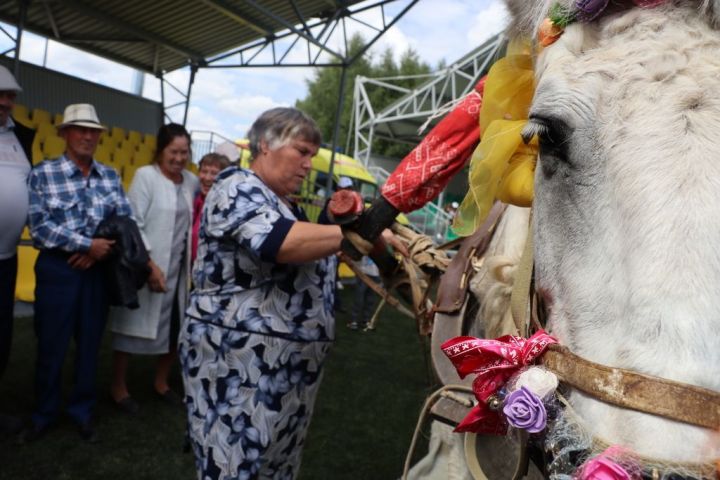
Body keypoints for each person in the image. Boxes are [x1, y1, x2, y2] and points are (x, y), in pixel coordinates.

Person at [179, 107, 406, 479]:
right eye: (301, 152)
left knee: (275, 466)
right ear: (265, 145)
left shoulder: (286, 204)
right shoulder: (236, 185)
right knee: (235, 466)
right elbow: (278, 243)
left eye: (312, 156)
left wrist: (369, 243)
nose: (307, 165)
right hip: (239, 367)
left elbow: (317, 249)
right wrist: (364, 230)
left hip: (286, 369)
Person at [24, 103, 131, 443]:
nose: (88, 136)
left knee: (89, 346)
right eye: (80, 129)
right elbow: (40, 228)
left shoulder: (110, 175)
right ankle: (44, 413)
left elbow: (125, 223)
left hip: (97, 272)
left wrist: (99, 251)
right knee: (51, 345)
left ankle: (82, 412)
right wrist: (87, 245)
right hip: (58, 270)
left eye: (93, 131)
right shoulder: (43, 173)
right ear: (65, 134)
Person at [109, 123, 199, 414]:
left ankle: (161, 383)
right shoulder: (145, 176)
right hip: (145, 264)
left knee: (174, 329)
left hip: (178, 270)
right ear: (160, 150)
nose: (179, 158)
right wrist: (149, 266)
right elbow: (133, 222)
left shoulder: (191, 181)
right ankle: (118, 386)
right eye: (173, 151)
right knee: (130, 328)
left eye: (184, 152)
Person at [0, 66, 35, 435]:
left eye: (11, 95)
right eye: (1, 93)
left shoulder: (21, 136)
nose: (6, 101)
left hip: (7, 259)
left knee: (2, 338)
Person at [191, 152, 231, 263]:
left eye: (214, 173)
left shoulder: (226, 208)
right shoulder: (197, 200)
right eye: (204, 171)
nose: (207, 178)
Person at [348, 256, 381, 330]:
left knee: (370, 299)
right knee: (359, 298)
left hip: (375, 274)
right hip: (363, 273)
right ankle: (354, 320)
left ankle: (365, 320)